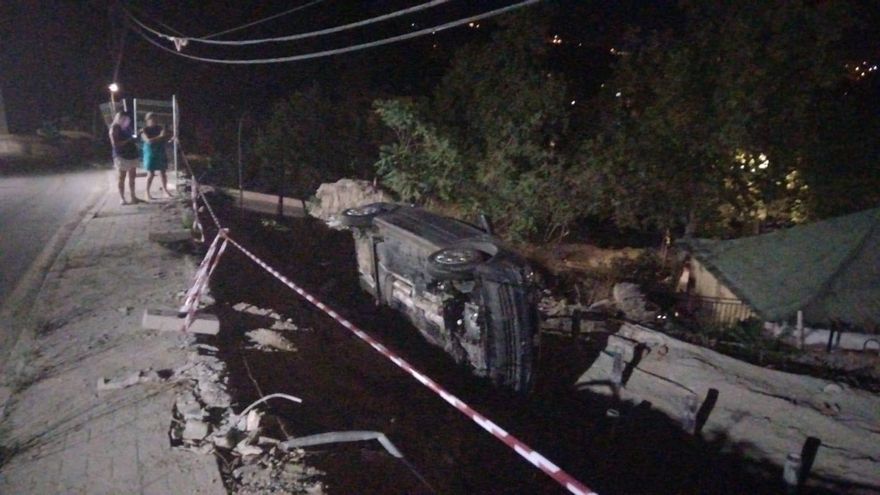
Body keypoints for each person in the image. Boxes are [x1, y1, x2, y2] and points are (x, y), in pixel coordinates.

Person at [108, 111, 141, 205]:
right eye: (125, 119)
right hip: (121, 155)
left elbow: (132, 135)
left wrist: (136, 135)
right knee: (121, 177)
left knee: (132, 177)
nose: (127, 121)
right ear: (120, 118)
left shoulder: (127, 127)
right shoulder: (114, 128)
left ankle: (133, 197)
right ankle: (122, 198)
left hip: (132, 154)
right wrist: (129, 140)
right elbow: (115, 144)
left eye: (127, 119)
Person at [140, 112, 173, 199]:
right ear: (147, 120)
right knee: (151, 173)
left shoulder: (160, 128)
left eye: (155, 119)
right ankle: (147, 192)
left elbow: (165, 138)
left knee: (163, 172)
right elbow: (148, 141)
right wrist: (160, 136)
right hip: (150, 152)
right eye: (151, 119)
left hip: (160, 151)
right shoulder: (144, 130)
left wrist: (169, 137)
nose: (154, 121)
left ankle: (165, 190)